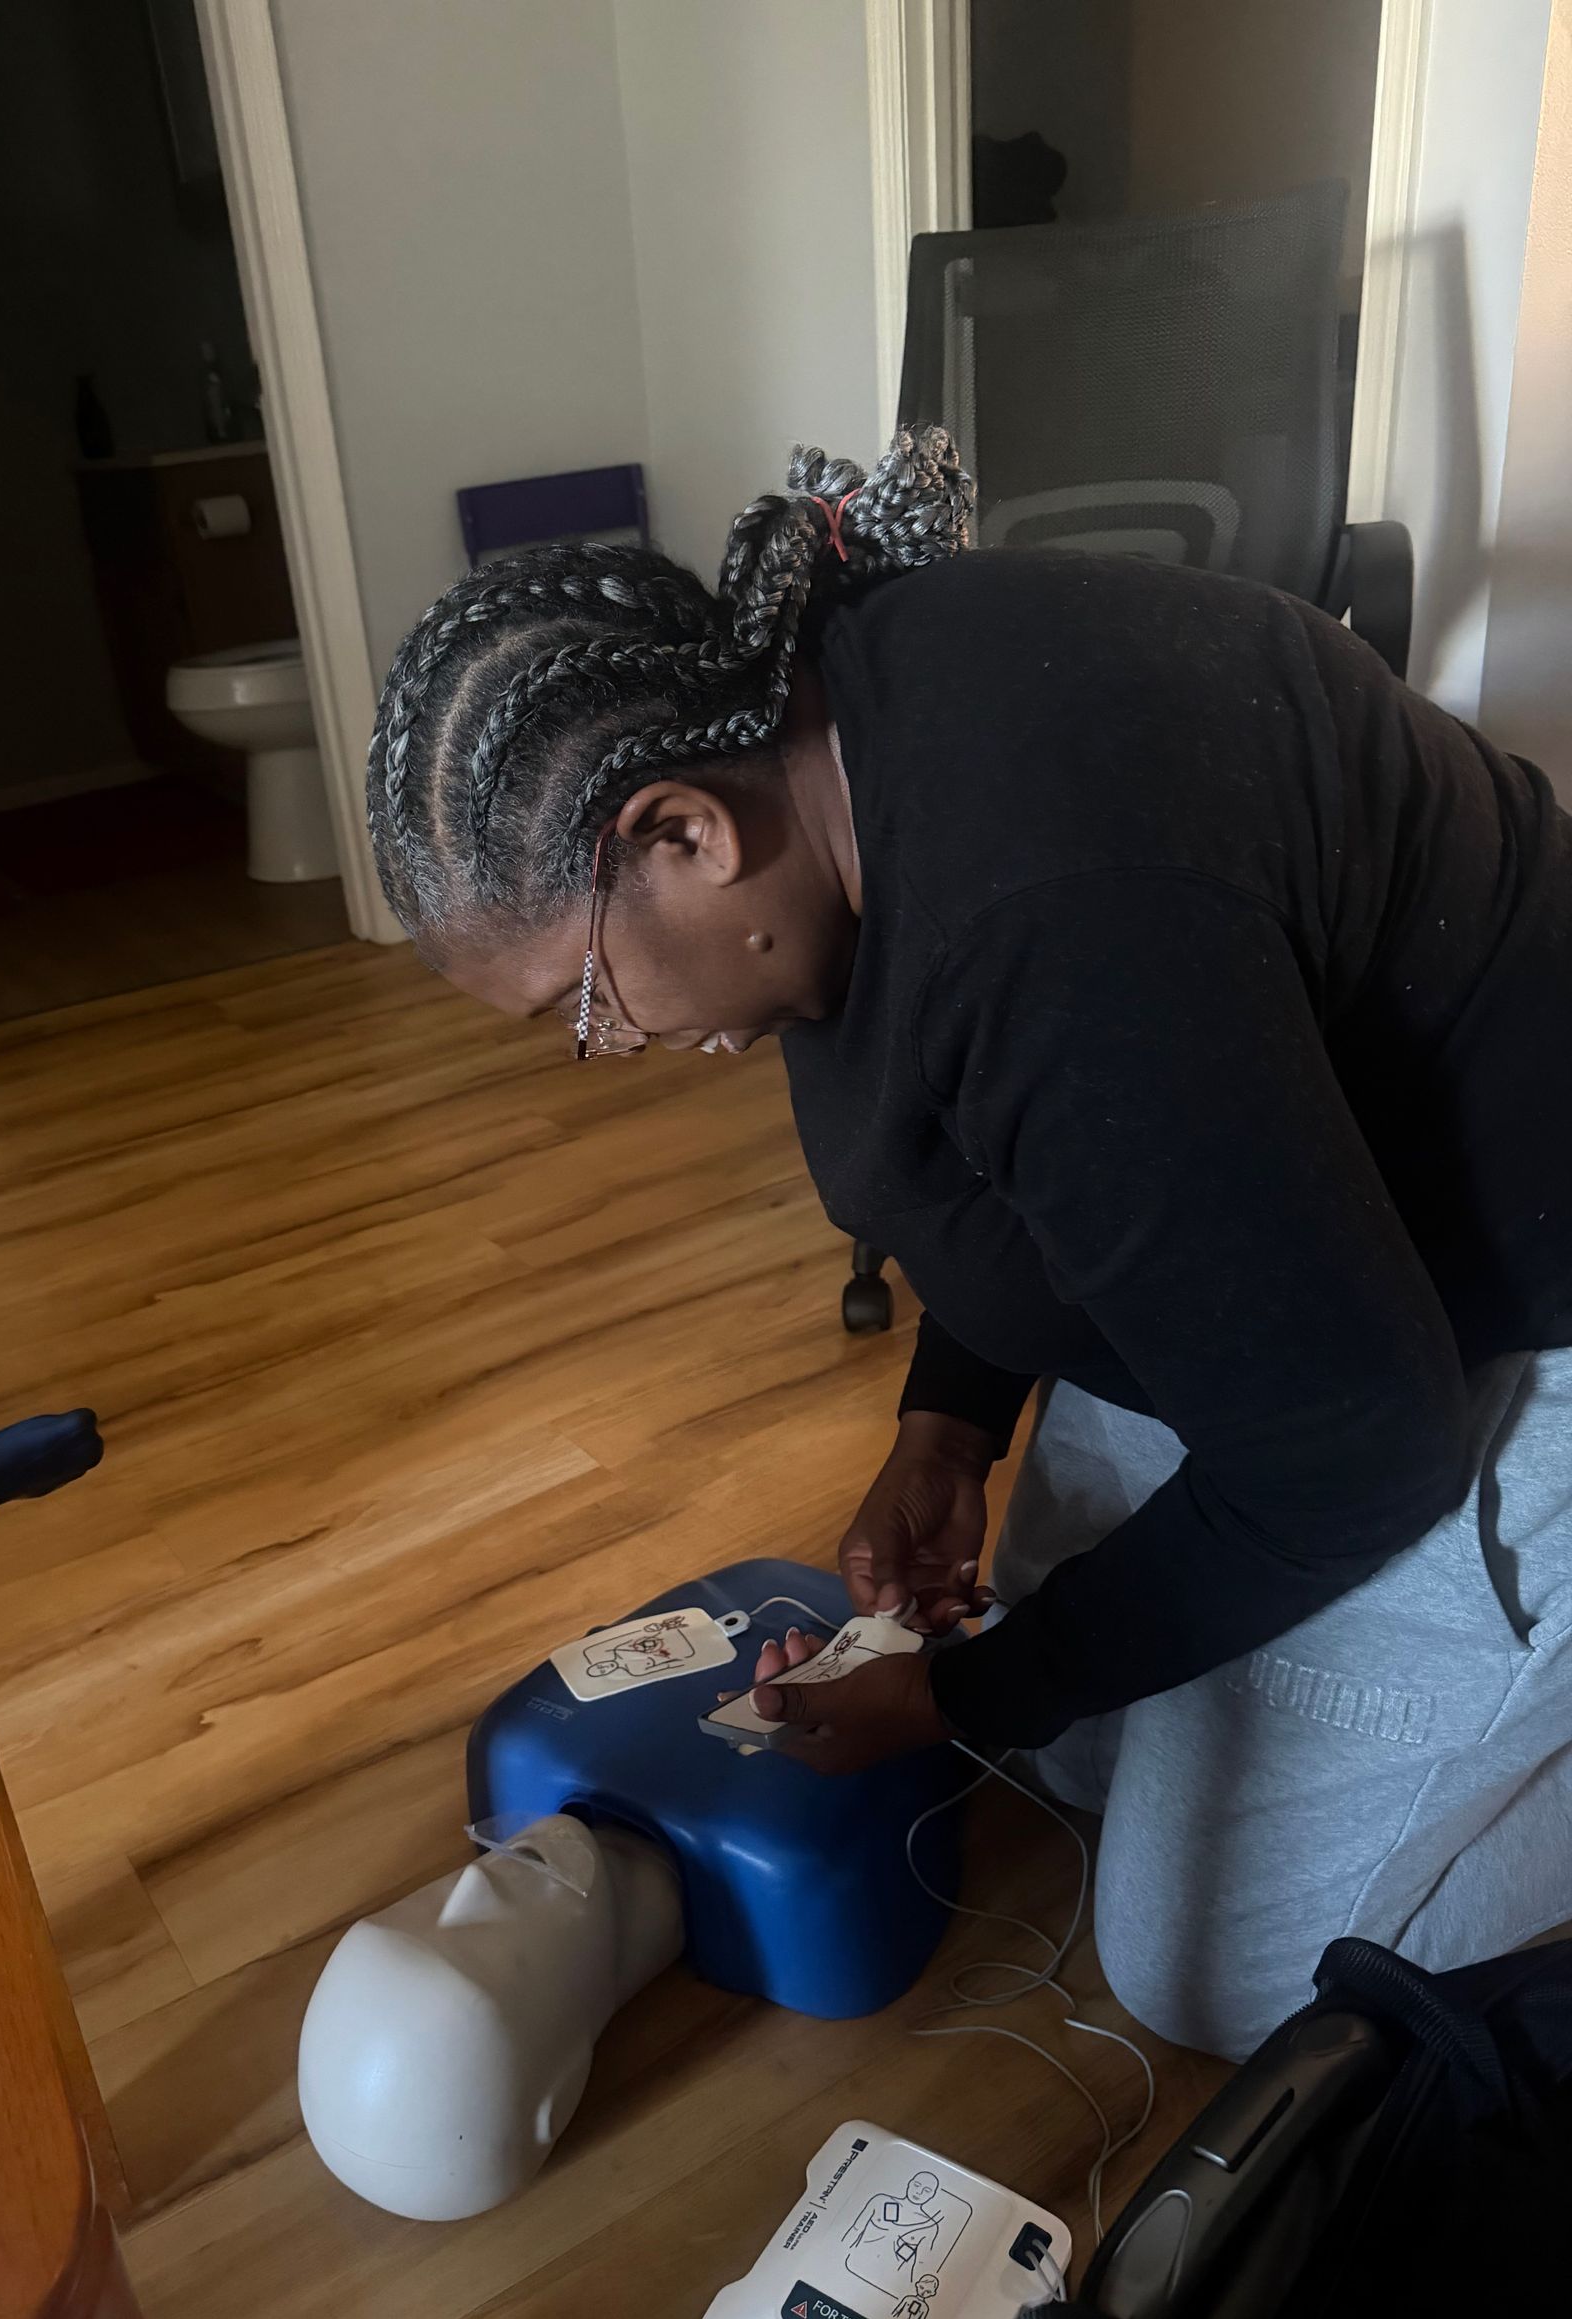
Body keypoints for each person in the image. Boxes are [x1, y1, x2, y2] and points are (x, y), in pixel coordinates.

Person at [365, 427, 1572, 2058]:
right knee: (1067, 1744)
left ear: (684, 835)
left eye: (583, 1001)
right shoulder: (834, 745)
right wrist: (948, 1418)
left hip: (1497, 1304)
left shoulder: (1059, 915)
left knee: (1207, 1971)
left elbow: (1353, 1448)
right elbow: (1018, 1135)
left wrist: (961, 1694)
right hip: (1307, 1215)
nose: (618, 1045)